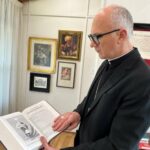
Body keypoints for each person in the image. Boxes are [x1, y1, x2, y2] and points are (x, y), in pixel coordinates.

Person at [40, 4, 150, 150]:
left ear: (121, 35)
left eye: (97, 37)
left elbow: (118, 146)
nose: (92, 44)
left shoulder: (143, 80)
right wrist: (77, 113)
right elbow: (94, 98)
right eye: (91, 37)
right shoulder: (108, 62)